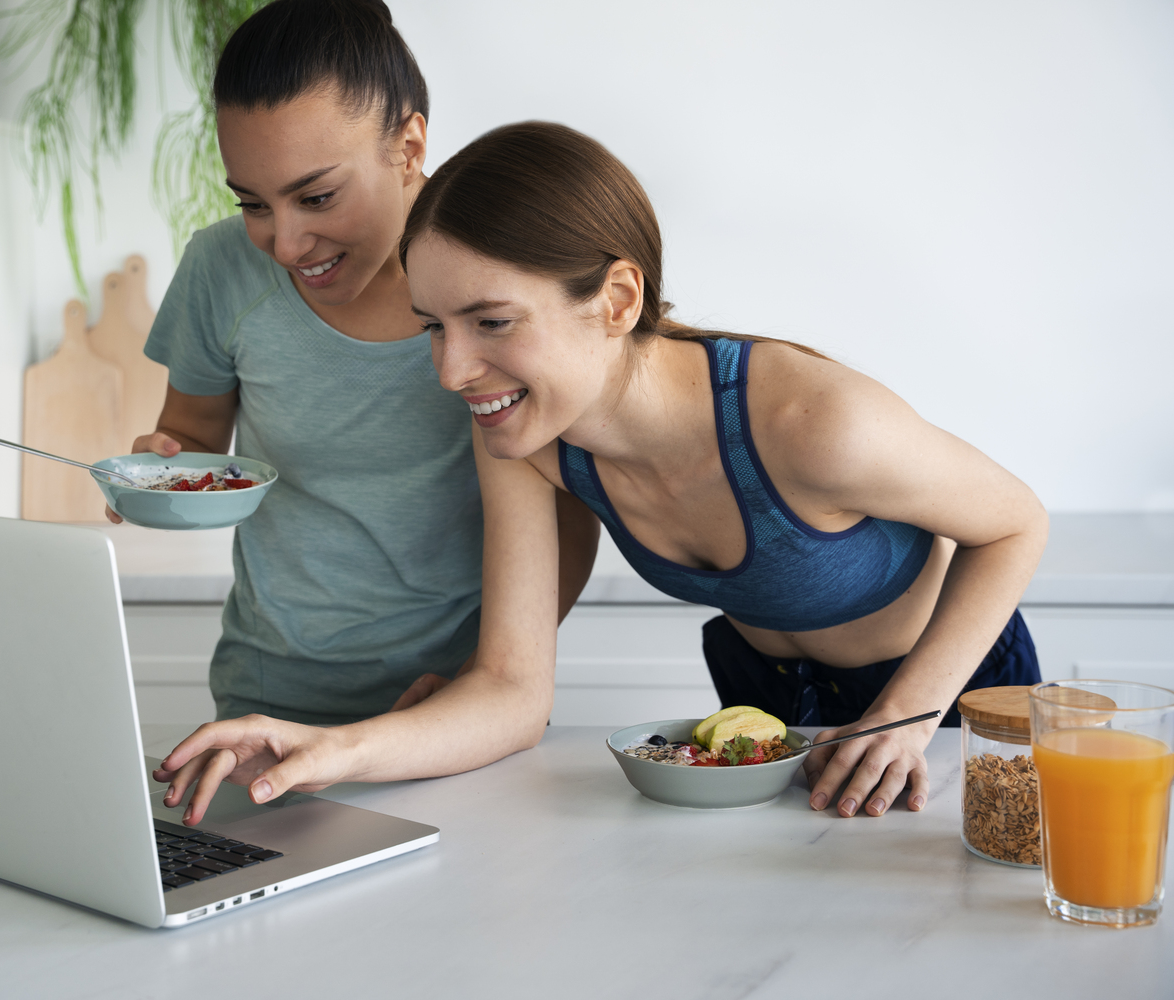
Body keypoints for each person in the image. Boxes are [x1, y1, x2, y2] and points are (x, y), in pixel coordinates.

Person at [393, 121, 1048, 820]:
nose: (450, 371)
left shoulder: (815, 422)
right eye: (433, 325)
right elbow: (508, 681)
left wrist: (906, 718)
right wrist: (389, 732)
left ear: (617, 300)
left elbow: (1016, 524)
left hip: (943, 688)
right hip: (761, 694)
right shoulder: (526, 434)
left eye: (490, 321)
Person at [125, 2, 598, 823]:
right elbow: (198, 441)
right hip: (265, 704)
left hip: (452, 713)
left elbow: (572, 509)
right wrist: (162, 470)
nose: (283, 242)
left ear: (410, 147)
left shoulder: (491, 295)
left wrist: (496, 670)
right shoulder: (220, 272)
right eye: (254, 202)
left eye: (315, 196)